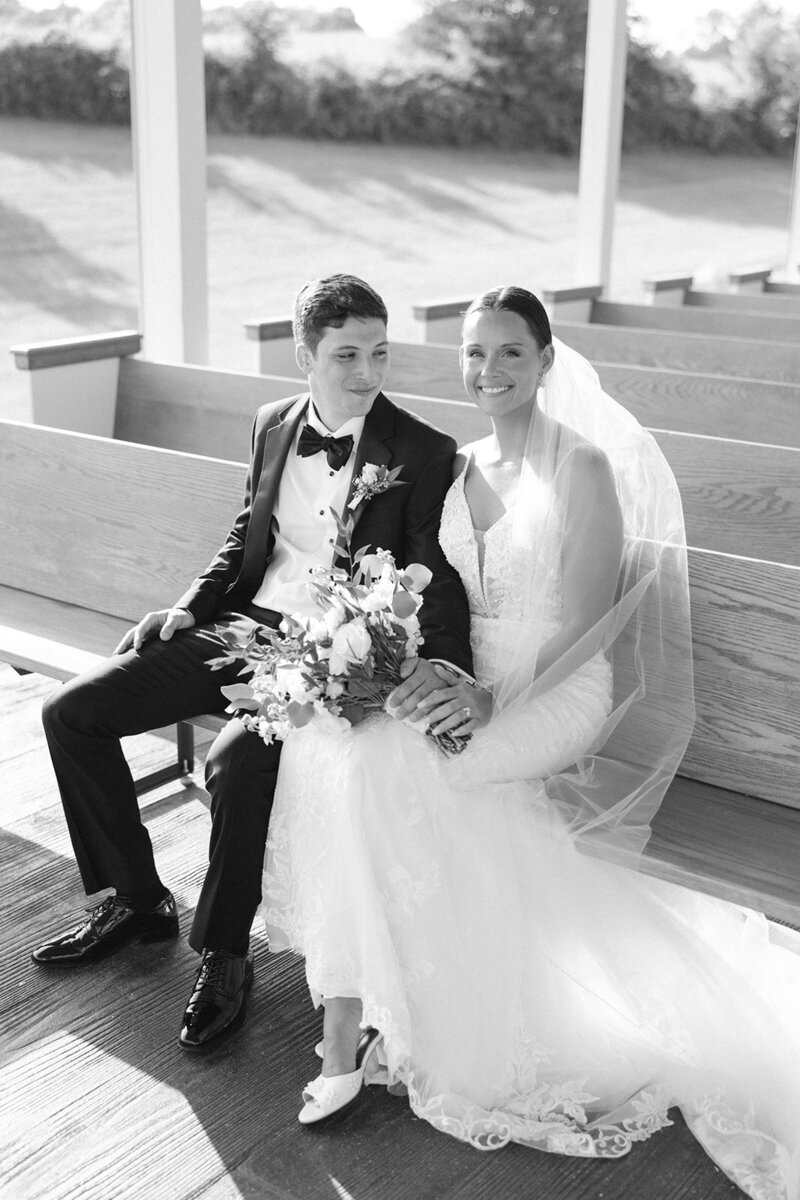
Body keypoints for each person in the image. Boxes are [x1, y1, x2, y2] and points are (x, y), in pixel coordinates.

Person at [261, 287, 800, 1200]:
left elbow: (591, 626)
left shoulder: (582, 467)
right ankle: (366, 1013)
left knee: (417, 767)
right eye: (474, 354)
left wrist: (487, 697)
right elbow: (433, 599)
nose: (489, 371)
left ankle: (391, 1027)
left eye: (511, 352)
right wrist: (404, 665)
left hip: (556, 689)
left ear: (547, 359)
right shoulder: (456, 464)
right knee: (353, 751)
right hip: (470, 676)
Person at [30, 274, 473, 1053]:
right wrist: (188, 606)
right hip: (236, 624)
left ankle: (225, 955)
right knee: (71, 713)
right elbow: (246, 534)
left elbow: (436, 577)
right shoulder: (272, 422)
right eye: (346, 356)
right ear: (304, 355)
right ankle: (135, 900)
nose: (367, 373)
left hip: (321, 650)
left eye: (378, 353)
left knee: (235, 763)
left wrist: (446, 673)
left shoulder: (426, 451)